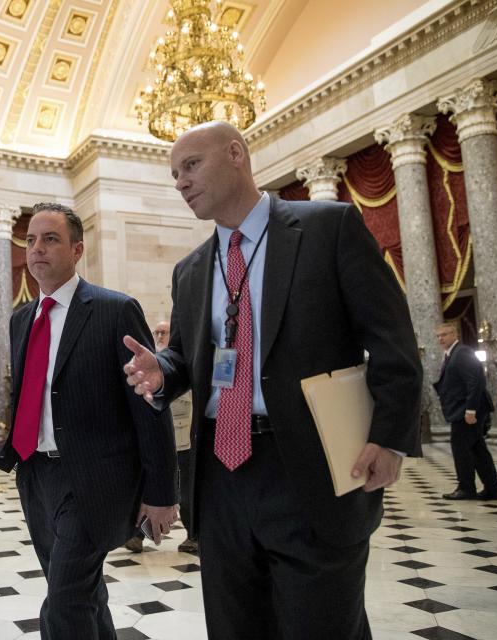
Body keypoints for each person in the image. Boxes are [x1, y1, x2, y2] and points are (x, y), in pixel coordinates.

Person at [122, 122, 422, 639]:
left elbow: (393, 343)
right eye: (174, 174)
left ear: (236, 153)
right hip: (220, 476)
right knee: (237, 627)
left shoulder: (329, 229)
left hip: (313, 466)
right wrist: (161, 371)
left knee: (322, 626)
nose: (181, 182)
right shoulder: (191, 270)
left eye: (191, 165)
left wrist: (390, 438)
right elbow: (188, 359)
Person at [0, 202, 177, 640]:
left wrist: (162, 492)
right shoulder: (21, 320)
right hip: (36, 474)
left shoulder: (114, 310)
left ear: (76, 250)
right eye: (31, 240)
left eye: (50, 239)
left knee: (65, 601)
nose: (37, 249)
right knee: (84, 593)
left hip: (93, 479)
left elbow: (148, 406)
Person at [124, 320, 196, 555]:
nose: (159, 335)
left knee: (185, 491)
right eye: (156, 332)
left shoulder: (183, 360)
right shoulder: (149, 360)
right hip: (154, 436)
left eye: (163, 332)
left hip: (183, 435)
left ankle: (193, 534)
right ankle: (139, 535)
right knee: (148, 487)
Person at [433, 323, 497, 500]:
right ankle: (493, 489)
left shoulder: (462, 352)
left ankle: (466, 488)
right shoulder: (452, 355)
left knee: (461, 449)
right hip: (463, 410)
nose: (441, 338)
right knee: (478, 450)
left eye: (445, 334)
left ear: (454, 334)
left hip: (467, 412)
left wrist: (470, 410)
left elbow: (475, 381)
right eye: (438, 336)